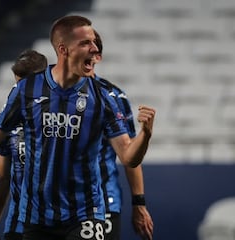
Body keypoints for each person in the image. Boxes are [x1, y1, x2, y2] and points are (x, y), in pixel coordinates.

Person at [0, 15, 155, 240]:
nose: (95, 49)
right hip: (36, 218)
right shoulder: (27, 90)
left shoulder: (104, 97)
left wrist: (146, 134)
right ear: (63, 50)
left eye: (94, 42)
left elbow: (128, 156)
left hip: (86, 214)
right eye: (86, 43)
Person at [92, 30, 153, 240]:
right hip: (57, 206)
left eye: (92, 48)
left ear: (97, 56)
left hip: (103, 201)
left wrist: (139, 202)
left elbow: (130, 153)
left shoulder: (113, 96)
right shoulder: (51, 95)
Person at [0, 49, 48, 240]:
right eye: (17, 83)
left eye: (24, 85)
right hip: (18, 225)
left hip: (60, 223)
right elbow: (3, 176)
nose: (18, 91)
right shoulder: (8, 124)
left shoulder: (65, 118)